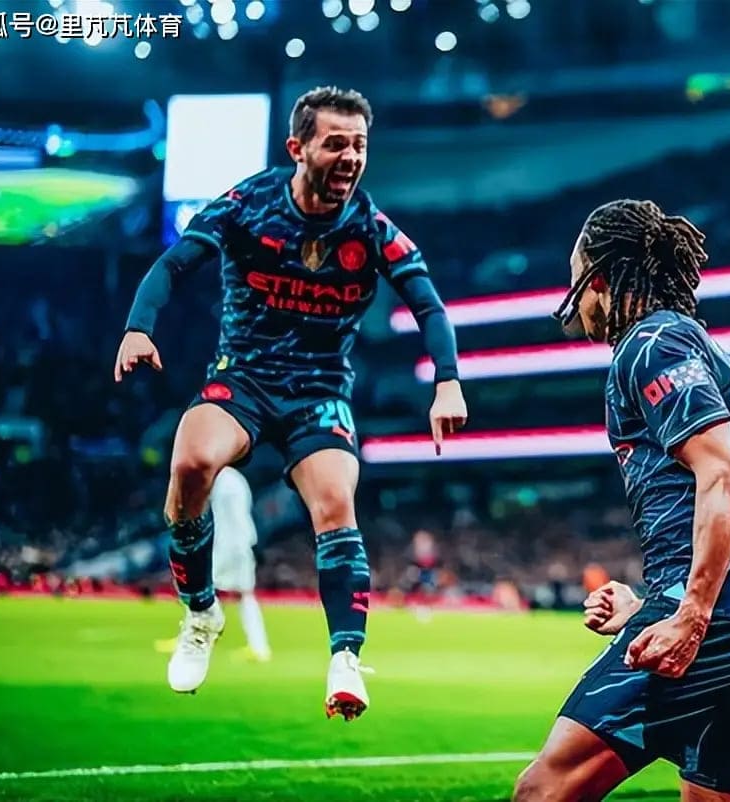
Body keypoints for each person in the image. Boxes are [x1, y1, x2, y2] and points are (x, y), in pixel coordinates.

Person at [114, 86, 467, 719]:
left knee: (335, 503)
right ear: (297, 148)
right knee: (191, 464)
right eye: (336, 143)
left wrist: (447, 380)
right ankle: (200, 613)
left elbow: (429, 306)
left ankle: (345, 658)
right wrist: (139, 327)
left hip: (320, 390)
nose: (351, 156)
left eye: (360, 145)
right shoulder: (249, 204)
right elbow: (172, 265)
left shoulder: (371, 228)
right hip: (244, 379)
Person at [514, 200, 730, 801]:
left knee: (542, 791)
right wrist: (651, 603)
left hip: (721, 617)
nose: (574, 302)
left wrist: (689, 613)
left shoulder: (651, 344)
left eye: (576, 281)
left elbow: (726, 478)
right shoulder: (693, 344)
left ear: (599, 280)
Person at [154, 466, 272, 661]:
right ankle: (259, 647)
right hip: (242, 544)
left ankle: (191, 639)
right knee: (244, 595)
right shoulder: (236, 479)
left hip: (228, 546)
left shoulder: (221, 480)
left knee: (198, 589)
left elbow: (224, 517)